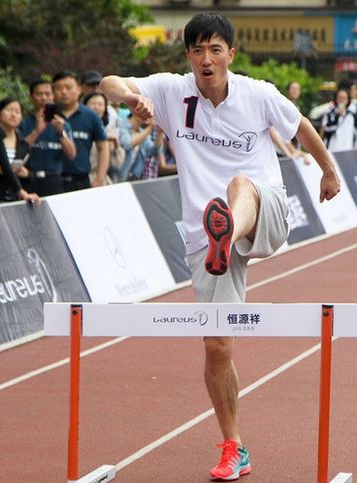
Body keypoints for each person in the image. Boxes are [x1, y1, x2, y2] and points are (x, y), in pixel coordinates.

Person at [100, 11, 340, 481]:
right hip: (202, 234)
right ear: (187, 55)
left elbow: (301, 128)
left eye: (215, 49)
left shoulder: (258, 93)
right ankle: (235, 446)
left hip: (264, 209)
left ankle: (228, 226)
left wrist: (328, 170)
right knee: (217, 345)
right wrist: (133, 98)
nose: (206, 59)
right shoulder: (171, 91)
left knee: (239, 184)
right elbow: (109, 81)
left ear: (231, 54)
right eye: (197, 50)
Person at [53, 70, 109, 191]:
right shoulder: (47, 116)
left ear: (79, 89)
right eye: (58, 88)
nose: (64, 92)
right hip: (51, 180)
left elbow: (103, 146)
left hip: (80, 180)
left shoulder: (90, 116)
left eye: (68, 87)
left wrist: (100, 178)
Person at [19, 80, 76, 196]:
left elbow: (72, 154)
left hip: (54, 179)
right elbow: (18, 152)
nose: (44, 98)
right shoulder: (24, 122)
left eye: (48, 94)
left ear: (53, 96)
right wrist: (36, 131)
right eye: (39, 94)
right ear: (31, 97)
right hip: (29, 178)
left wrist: (60, 132)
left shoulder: (62, 123)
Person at [0, 97, 40, 205]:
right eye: (9, 110)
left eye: (17, 112)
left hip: (12, 197)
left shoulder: (23, 144)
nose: (13, 115)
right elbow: (5, 166)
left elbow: (6, 167)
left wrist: (25, 175)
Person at [321, 87, 357, 152]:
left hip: (347, 149)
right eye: (339, 98)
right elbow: (326, 129)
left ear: (348, 100)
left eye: (344, 98)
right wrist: (338, 116)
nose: (341, 100)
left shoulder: (352, 115)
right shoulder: (329, 113)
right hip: (332, 149)